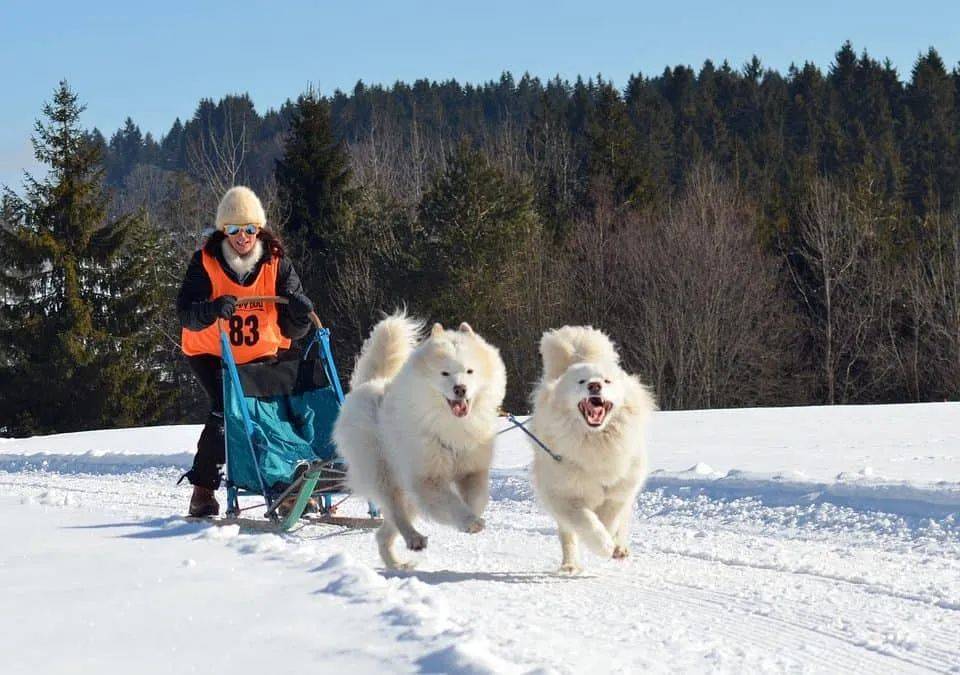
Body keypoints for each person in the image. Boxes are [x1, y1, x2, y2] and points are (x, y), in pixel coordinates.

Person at [177, 186, 314, 517]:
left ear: (260, 230)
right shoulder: (205, 262)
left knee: (271, 413)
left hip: (260, 352)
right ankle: (203, 489)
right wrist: (211, 309)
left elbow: (294, 328)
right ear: (224, 231)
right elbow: (186, 312)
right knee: (226, 410)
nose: (243, 237)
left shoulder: (277, 264)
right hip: (212, 352)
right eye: (234, 229)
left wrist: (299, 315)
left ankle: (285, 484)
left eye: (250, 229)